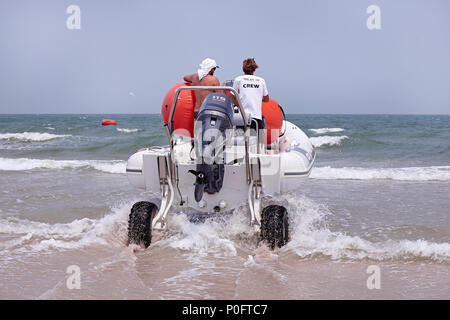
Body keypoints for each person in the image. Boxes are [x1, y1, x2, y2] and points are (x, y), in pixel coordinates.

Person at [232, 58, 269, 130]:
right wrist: (256, 97)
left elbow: (232, 97)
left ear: (243, 69)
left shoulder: (238, 79)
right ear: (254, 69)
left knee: (240, 139)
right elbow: (266, 99)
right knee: (258, 140)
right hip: (256, 117)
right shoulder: (261, 81)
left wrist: (239, 103)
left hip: (242, 117)